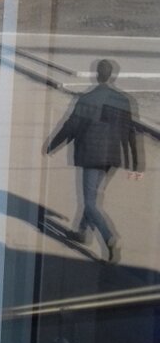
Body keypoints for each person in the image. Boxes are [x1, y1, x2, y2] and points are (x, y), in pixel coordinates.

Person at [45, 58, 143, 262]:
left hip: (91, 155)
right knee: (93, 195)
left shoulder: (87, 99)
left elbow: (71, 126)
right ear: (112, 75)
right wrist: (135, 162)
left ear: (97, 75)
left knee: (90, 202)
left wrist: (52, 145)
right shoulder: (122, 100)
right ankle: (82, 233)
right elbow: (130, 132)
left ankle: (109, 237)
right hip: (111, 157)